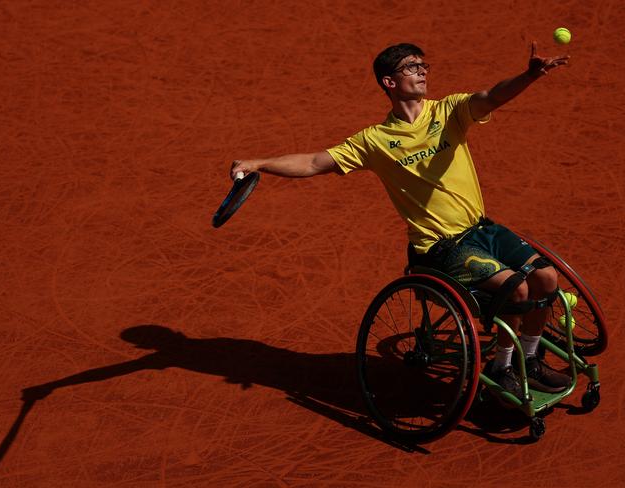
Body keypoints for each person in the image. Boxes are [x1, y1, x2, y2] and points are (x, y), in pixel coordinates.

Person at [230, 41, 572, 397]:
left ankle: (530, 360)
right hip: (439, 247)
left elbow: (492, 97)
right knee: (517, 286)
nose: (423, 71)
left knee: (547, 277)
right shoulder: (375, 141)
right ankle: (503, 368)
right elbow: (315, 163)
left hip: (481, 228)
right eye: (412, 66)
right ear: (389, 82)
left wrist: (529, 76)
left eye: (424, 65)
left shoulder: (449, 111)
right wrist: (259, 163)